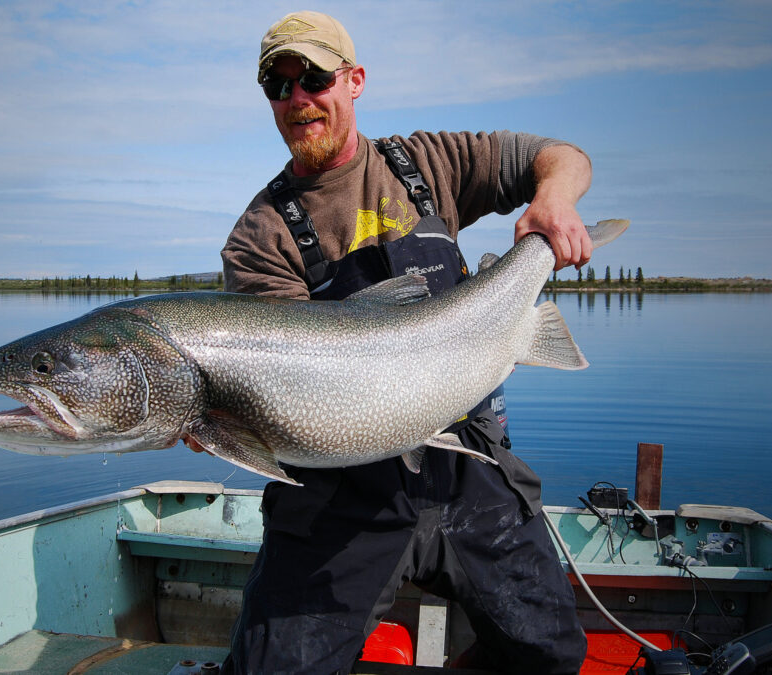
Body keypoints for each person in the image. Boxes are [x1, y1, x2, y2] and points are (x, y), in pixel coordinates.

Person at [214, 11, 592, 674]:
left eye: (315, 77)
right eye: (278, 84)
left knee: (551, 655)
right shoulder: (260, 236)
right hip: (338, 498)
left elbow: (562, 157)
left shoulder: (425, 162)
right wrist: (216, 414)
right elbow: (289, 387)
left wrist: (554, 201)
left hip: (465, 464)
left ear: (354, 80)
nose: (298, 98)